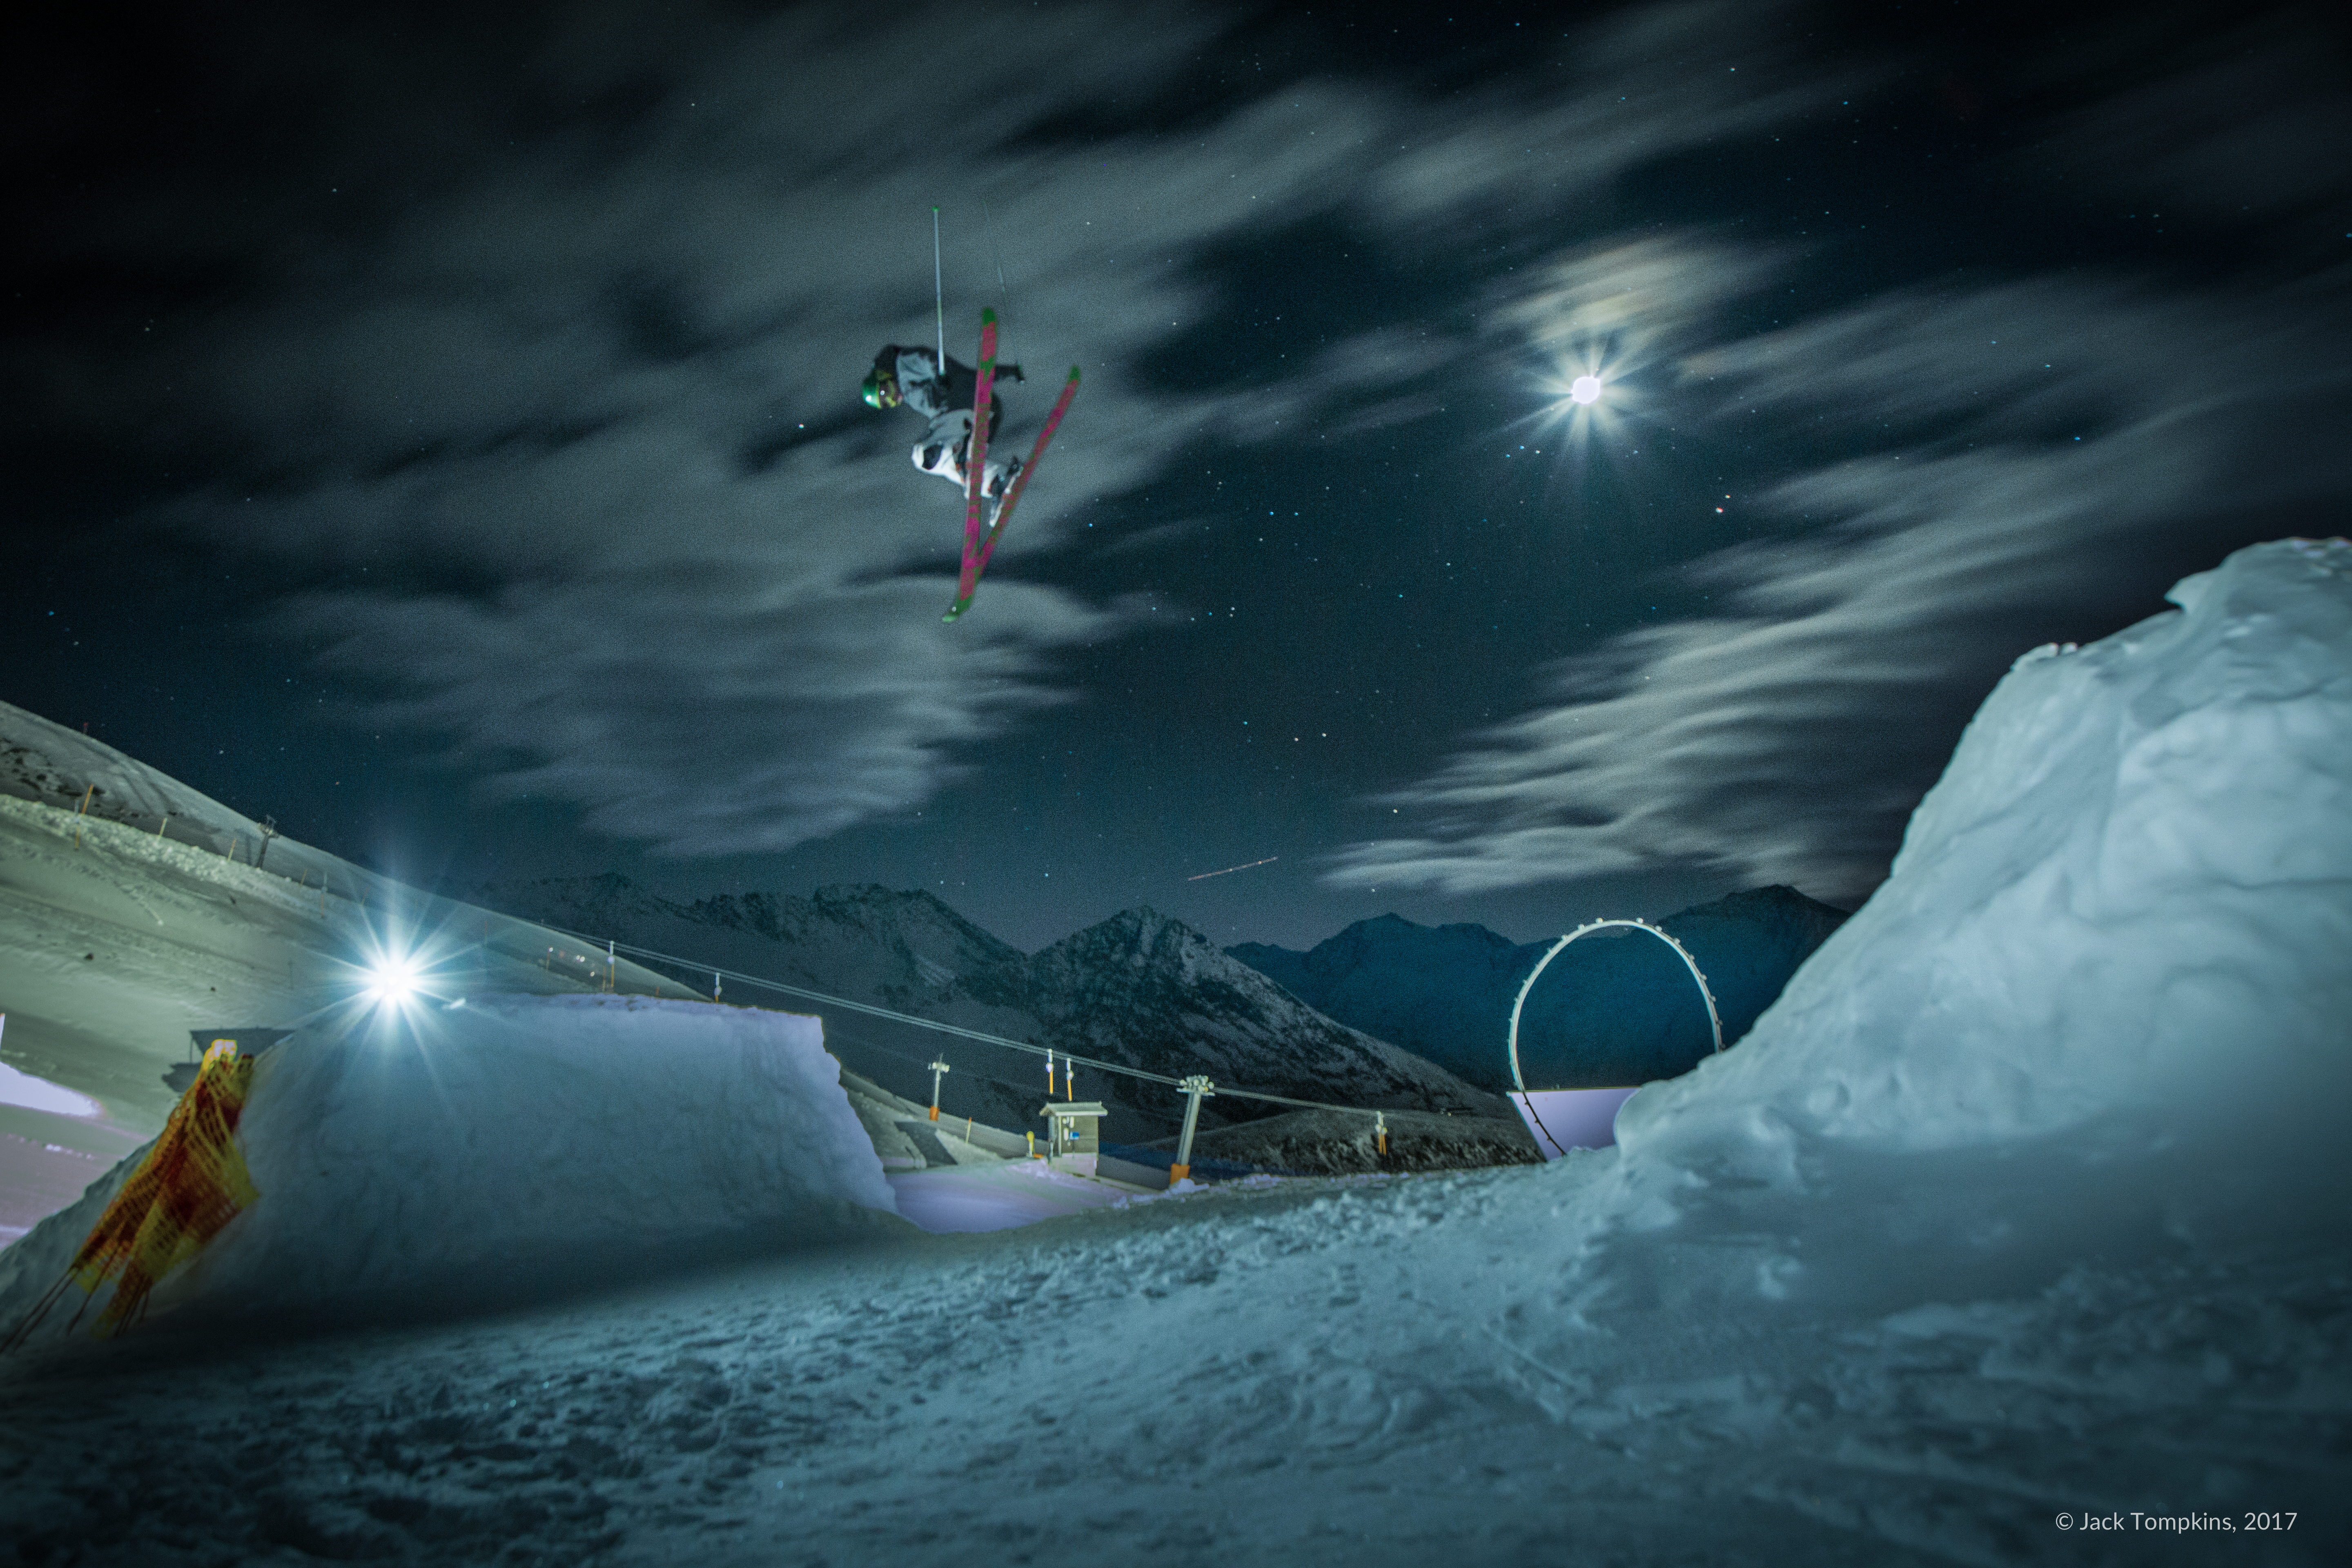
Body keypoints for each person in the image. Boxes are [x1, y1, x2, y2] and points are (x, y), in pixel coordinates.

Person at [862, 345, 1026, 500]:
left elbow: (932, 361)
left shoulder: (904, 362)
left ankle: (960, 454)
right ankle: (997, 482)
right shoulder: (909, 395)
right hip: (979, 414)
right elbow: (971, 376)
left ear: (885, 375)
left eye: (886, 392)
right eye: (886, 403)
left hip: (963, 406)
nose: (893, 399)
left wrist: (939, 379)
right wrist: (1008, 372)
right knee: (945, 466)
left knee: (922, 454)